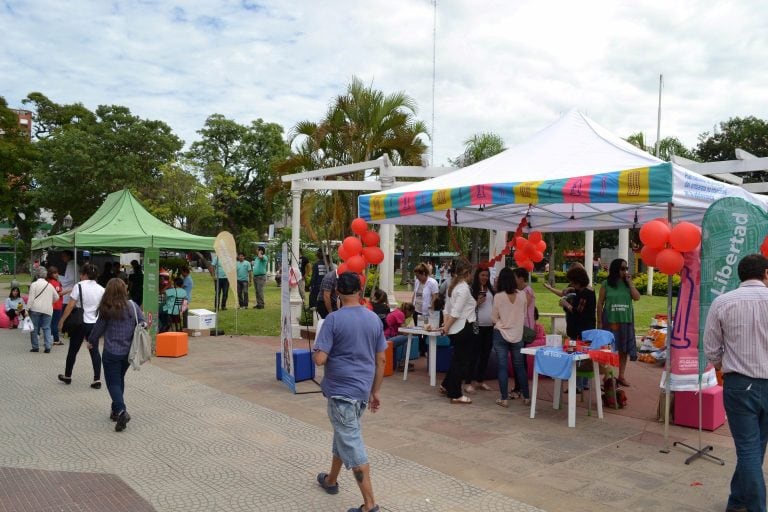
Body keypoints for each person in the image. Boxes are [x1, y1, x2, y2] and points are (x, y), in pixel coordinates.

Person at [312, 272, 386, 512]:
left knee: (352, 446)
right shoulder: (373, 319)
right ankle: (331, 480)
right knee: (343, 435)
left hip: (341, 392)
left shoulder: (333, 320)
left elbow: (320, 359)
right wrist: (375, 392)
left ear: (337, 293)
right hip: (362, 391)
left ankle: (370, 505)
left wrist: (317, 350)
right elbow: (382, 359)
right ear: (360, 291)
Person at [703, 253, 768, 512]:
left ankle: (742, 501)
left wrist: (723, 366)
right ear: (765, 274)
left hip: (740, 384)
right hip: (753, 383)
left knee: (750, 447)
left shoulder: (723, 302)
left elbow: (711, 349)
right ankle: (747, 503)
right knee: (754, 447)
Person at [88, 278, 146, 432]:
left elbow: (98, 329)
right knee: (119, 380)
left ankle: (121, 411)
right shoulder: (133, 306)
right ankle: (115, 411)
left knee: (112, 383)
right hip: (128, 352)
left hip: (111, 352)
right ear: (123, 290)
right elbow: (143, 322)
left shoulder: (107, 308)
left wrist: (91, 341)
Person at [58, 263, 105, 388]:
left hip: (80, 323)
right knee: (94, 351)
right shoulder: (101, 289)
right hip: (94, 324)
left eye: (81, 274)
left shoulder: (78, 286)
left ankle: (68, 375)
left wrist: (62, 320)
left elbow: (70, 305)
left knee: (73, 350)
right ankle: (97, 379)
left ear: (84, 274)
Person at [596, 258, 640, 387]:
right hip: (610, 320)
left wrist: (630, 283)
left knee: (623, 349)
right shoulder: (606, 284)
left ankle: (621, 376)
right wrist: (599, 322)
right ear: (615, 269)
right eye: (622, 268)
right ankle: (607, 375)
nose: (625, 271)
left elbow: (637, 297)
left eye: (626, 268)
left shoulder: (627, 284)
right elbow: (600, 303)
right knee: (608, 349)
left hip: (625, 320)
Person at [438, 258, 476, 404]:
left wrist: (446, 325)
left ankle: (447, 385)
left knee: (456, 361)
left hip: (457, 329)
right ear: (467, 273)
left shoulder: (453, 287)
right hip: (464, 328)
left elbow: (447, 310)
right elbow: (455, 312)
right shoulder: (464, 289)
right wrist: (446, 327)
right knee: (461, 363)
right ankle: (455, 394)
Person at [491, 267, 529, 407]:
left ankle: (504, 398)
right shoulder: (522, 295)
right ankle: (526, 396)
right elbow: (524, 315)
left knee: (502, 366)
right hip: (518, 334)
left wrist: (503, 322)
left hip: (500, 333)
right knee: (519, 367)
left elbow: (493, 318)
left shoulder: (498, 297)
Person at [560, 266, 596, 393]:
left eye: (573, 282)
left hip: (581, 331)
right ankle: (583, 383)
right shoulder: (584, 291)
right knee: (583, 357)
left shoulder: (586, 294)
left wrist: (566, 304)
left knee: (576, 357)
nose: (572, 285)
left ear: (578, 281)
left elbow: (577, 311)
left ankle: (577, 385)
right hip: (581, 330)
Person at [465, 266, 495, 393]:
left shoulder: (491, 290)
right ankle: (467, 382)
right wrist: (477, 302)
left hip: (490, 327)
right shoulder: (472, 290)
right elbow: (466, 309)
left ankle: (480, 380)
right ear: (478, 275)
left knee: (485, 354)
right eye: (482, 275)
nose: (485, 278)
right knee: (473, 354)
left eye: (487, 275)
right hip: (476, 326)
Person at [27, 266, 60, 353]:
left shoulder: (34, 285)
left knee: (34, 328)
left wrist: (27, 309)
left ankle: (35, 347)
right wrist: (50, 301)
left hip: (35, 309)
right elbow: (57, 297)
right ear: (45, 276)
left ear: (37, 275)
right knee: (47, 328)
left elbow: (30, 299)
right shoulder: (50, 285)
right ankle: (48, 347)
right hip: (48, 309)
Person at [413, 262, 439, 355]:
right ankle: (421, 350)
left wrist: (431, 310)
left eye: (418, 275)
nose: (417, 278)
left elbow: (435, 297)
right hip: (417, 310)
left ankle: (427, 350)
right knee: (419, 331)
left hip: (426, 312)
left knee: (426, 331)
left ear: (424, 273)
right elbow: (415, 294)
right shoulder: (417, 282)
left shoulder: (432, 282)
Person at [47, 266, 64, 344]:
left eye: (57, 272)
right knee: (55, 323)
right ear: (50, 274)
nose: (57, 274)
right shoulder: (55, 283)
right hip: (57, 305)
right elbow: (58, 293)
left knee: (50, 323)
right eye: (54, 273)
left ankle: (50, 338)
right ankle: (56, 339)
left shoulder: (49, 282)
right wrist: (69, 290)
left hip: (51, 305)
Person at [59, 250, 77, 315]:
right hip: (71, 289)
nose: (62, 258)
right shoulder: (73, 264)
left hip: (69, 291)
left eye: (64, 256)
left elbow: (70, 279)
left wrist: (58, 277)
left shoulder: (71, 265)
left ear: (69, 256)